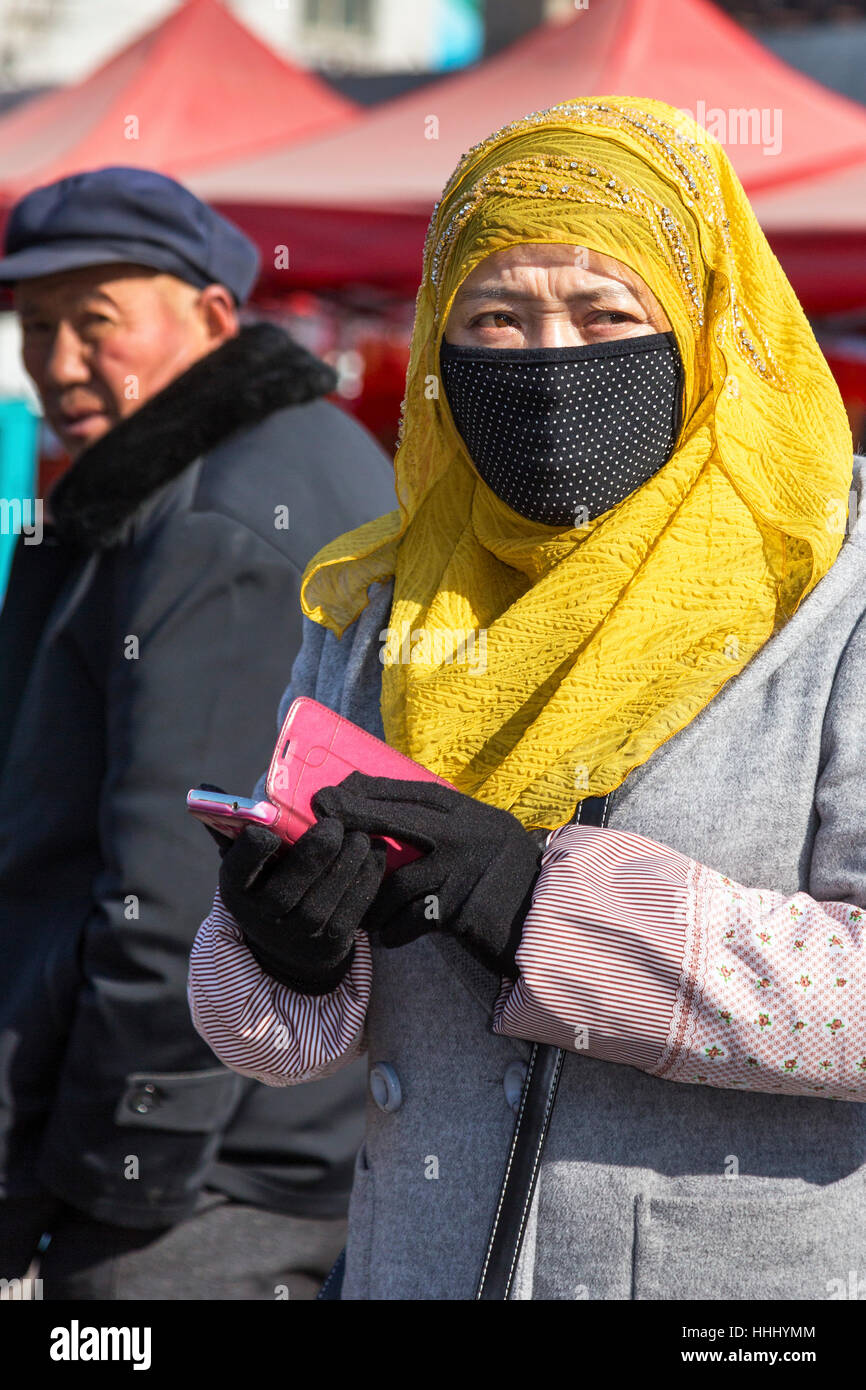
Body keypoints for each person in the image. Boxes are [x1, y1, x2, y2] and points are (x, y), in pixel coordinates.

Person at [189, 98, 866, 1301]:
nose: (547, 358)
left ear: (708, 330)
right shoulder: (381, 596)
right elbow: (286, 1038)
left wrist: (533, 903)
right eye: (493, 318)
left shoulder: (829, 588)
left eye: (605, 313)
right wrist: (280, 949)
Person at [0, 166, 396, 1299]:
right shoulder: (221, 470)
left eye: (93, 322)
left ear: (214, 317)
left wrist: (107, 1177)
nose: (59, 362)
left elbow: (178, 891)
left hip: (203, 1181)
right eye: (35, 327)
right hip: (255, 1141)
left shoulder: (218, 519)